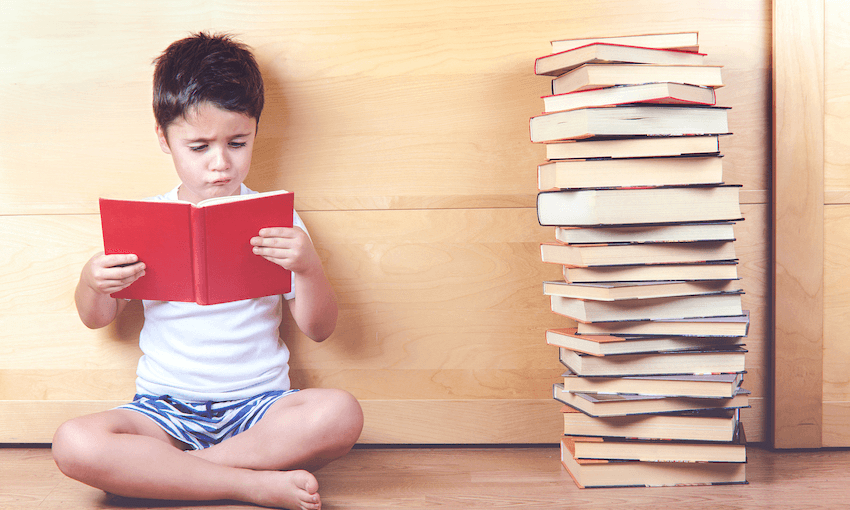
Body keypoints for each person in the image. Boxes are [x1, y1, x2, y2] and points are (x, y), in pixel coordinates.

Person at [51, 32, 363, 510]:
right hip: (162, 411)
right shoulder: (143, 221)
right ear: (164, 138)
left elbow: (319, 329)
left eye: (237, 142)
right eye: (199, 147)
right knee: (74, 442)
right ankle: (249, 484)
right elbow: (96, 319)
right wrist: (92, 282)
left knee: (340, 414)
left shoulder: (278, 217)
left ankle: (170, 478)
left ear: (256, 130)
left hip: (259, 407)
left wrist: (309, 267)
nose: (220, 165)